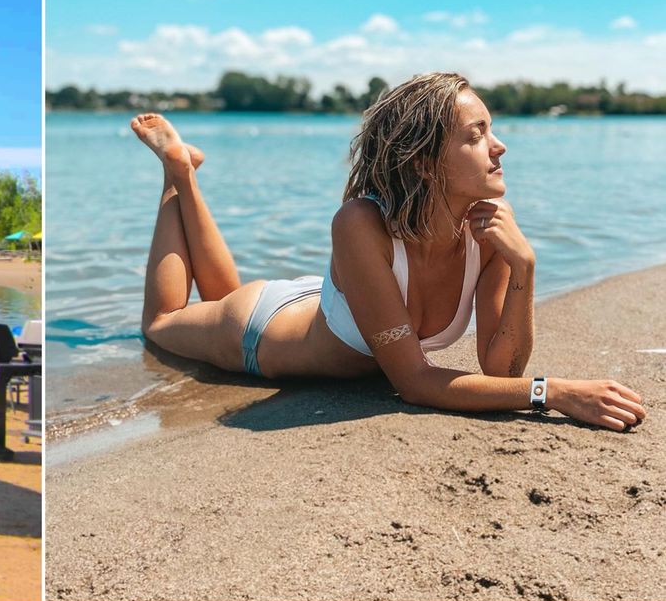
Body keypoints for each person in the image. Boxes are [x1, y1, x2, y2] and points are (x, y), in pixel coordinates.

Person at [134, 72, 645, 431]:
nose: (500, 146)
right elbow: (416, 383)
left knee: (220, 292)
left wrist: (524, 267)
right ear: (425, 162)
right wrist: (553, 392)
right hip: (256, 329)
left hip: (327, 305)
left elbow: (501, 371)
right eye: (478, 134)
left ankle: (186, 173)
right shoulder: (361, 223)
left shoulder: (489, 234)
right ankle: (176, 175)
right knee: (163, 322)